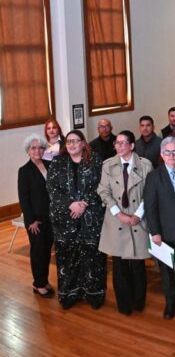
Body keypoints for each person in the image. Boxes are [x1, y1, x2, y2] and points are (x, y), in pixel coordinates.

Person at [48, 129, 107, 310]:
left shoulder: (95, 160)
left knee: (93, 257)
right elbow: (51, 188)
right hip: (65, 219)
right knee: (68, 257)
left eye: (75, 141)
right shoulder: (58, 162)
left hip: (91, 216)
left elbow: (102, 185)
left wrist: (84, 203)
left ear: (83, 143)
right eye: (69, 141)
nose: (72, 144)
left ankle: (94, 295)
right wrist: (71, 204)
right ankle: (69, 294)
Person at [97, 131, 153, 316]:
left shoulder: (145, 165)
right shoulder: (108, 165)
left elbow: (150, 193)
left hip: (139, 218)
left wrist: (138, 215)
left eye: (123, 143)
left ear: (132, 145)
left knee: (137, 264)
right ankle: (124, 304)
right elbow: (103, 192)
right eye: (117, 143)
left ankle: (138, 301)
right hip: (116, 220)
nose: (119, 146)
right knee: (119, 264)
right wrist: (118, 214)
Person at [143, 138, 175, 320]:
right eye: (167, 152)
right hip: (163, 232)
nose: (171, 156)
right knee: (166, 269)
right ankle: (170, 303)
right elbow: (150, 207)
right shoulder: (154, 176)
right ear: (162, 155)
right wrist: (154, 232)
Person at [18, 134, 54, 298]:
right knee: (38, 250)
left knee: (46, 249)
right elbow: (24, 198)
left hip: (51, 216)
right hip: (35, 220)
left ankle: (43, 280)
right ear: (28, 151)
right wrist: (31, 220)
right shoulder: (24, 171)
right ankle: (38, 284)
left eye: (40, 147)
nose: (37, 151)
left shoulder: (49, 164)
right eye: (33, 148)